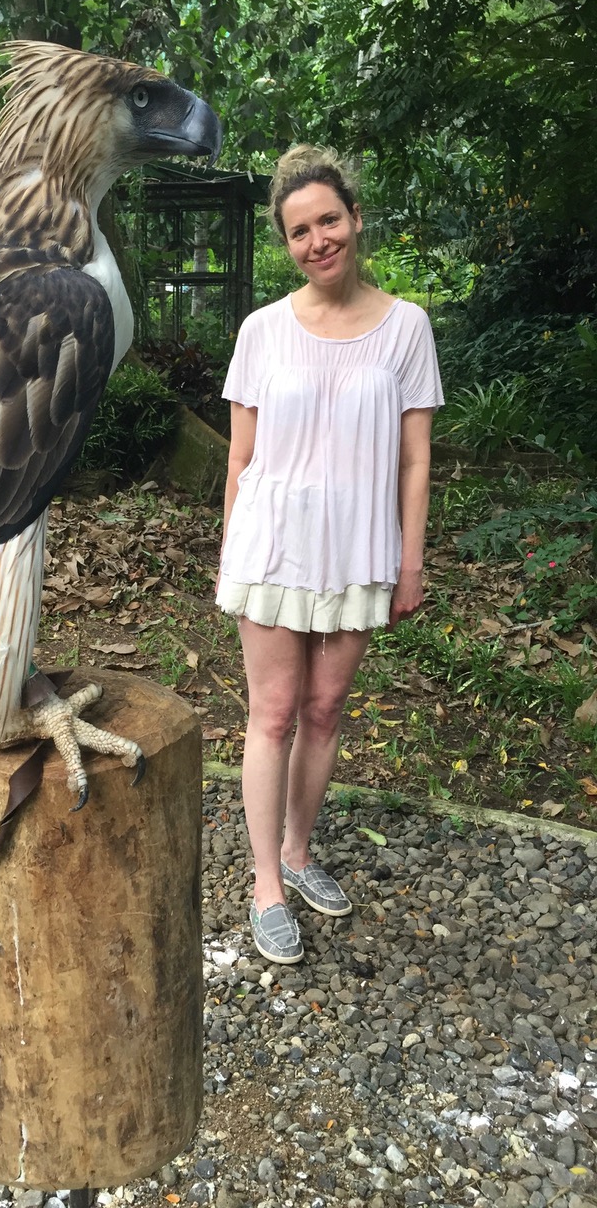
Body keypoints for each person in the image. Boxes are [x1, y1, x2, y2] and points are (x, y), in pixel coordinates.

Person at [216, 143, 443, 965]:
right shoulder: (262, 330)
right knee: (272, 714)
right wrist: (229, 554)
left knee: (325, 710)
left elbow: (415, 458)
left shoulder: (406, 327)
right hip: (271, 546)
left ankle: (299, 852)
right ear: (287, 243)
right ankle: (265, 885)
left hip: (357, 549)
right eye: (299, 231)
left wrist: (409, 559)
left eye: (329, 221)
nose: (317, 241)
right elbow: (239, 459)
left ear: (354, 218)